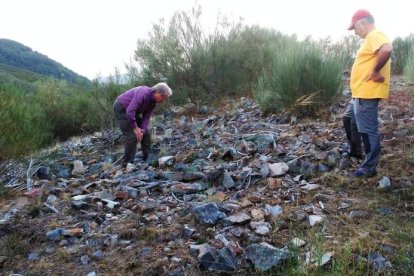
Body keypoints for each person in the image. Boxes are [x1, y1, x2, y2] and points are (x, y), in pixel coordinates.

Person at [345, 9, 393, 177]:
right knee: (349, 119)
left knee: (367, 131)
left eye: (355, 28)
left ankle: (369, 168)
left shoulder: (375, 34)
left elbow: (386, 49)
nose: (355, 32)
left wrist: (374, 71)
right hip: (359, 93)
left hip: (366, 93)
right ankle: (356, 152)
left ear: (363, 23)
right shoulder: (371, 38)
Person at [113, 82, 172, 168]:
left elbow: (146, 117)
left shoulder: (153, 102)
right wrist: (136, 129)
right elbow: (130, 112)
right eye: (163, 97)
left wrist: (142, 130)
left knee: (146, 134)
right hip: (121, 109)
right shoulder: (143, 92)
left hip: (131, 111)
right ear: (157, 92)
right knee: (132, 137)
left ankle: (148, 159)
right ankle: (126, 164)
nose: (163, 100)